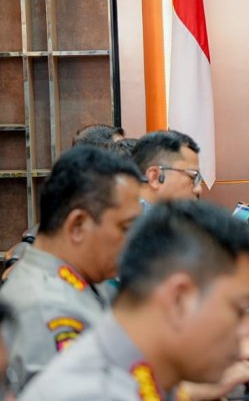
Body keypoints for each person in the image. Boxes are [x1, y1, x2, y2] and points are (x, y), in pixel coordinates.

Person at [18, 200, 249, 401]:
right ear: (179, 299)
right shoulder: (96, 393)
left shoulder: (129, 365)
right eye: (238, 309)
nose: (247, 329)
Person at [0, 146, 143, 394]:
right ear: (78, 226)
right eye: (125, 228)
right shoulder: (46, 308)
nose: (132, 241)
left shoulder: (80, 277)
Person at [132, 130, 249, 303]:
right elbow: (165, 301)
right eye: (192, 177)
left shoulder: (167, 220)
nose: (198, 189)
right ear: (155, 177)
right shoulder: (132, 226)